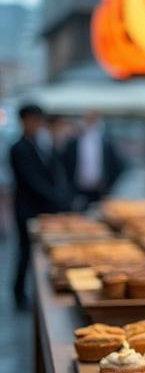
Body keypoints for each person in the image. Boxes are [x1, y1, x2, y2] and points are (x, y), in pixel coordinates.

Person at [9, 104, 69, 308]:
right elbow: (31, 180)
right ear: (24, 121)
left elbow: (52, 171)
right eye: (33, 120)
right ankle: (18, 294)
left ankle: (27, 292)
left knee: (36, 254)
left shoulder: (40, 144)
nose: (36, 124)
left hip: (43, 208)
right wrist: (55, 197)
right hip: (27, 208)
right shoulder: (19, 147)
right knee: (25, 251)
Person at [61, 111, 124, 210]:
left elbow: (118, 166)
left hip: (99, 190)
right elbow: (64, 165)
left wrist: (108, 184)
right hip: (77, 190)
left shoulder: (107, 142)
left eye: (93, 118)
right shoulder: (73, 142)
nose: (90, 121)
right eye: (88, 118)